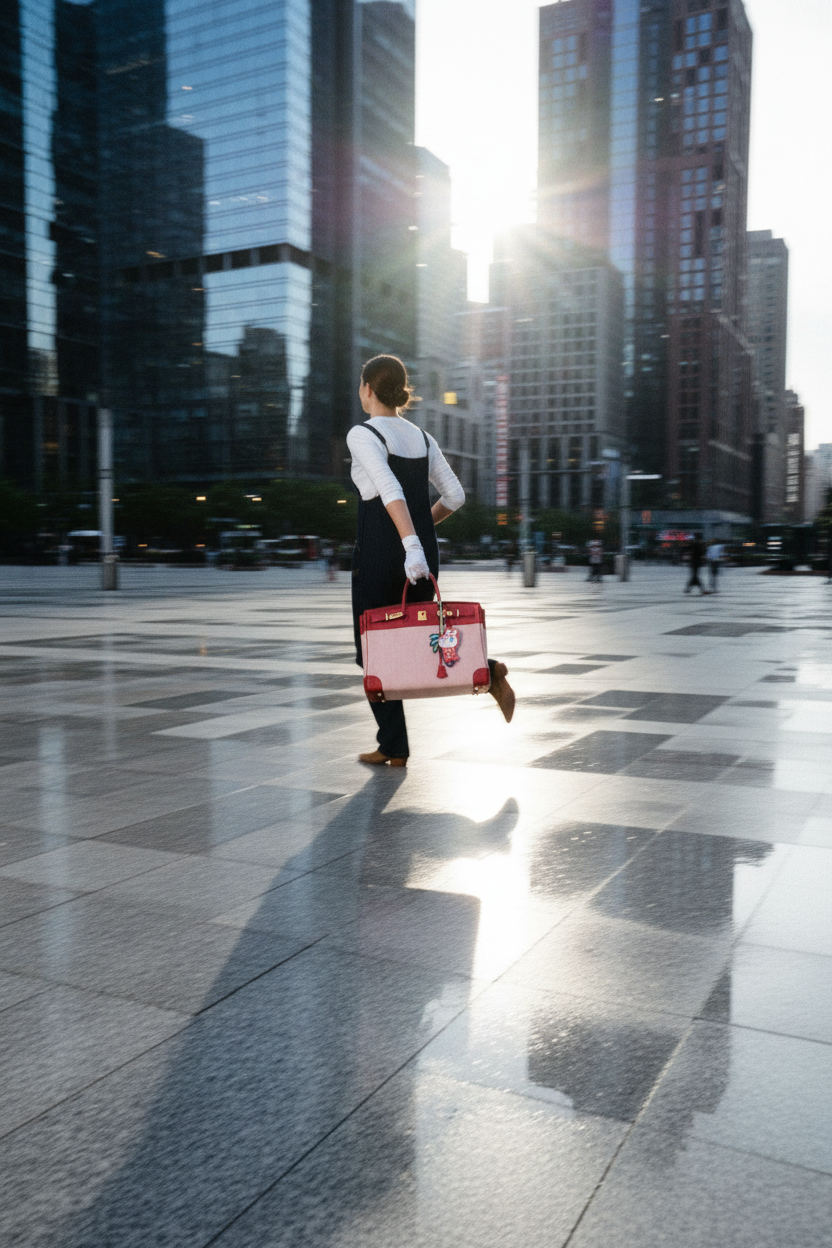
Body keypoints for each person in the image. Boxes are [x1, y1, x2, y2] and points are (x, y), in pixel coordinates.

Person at [347, 355, 515, 767]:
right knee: (420, 635)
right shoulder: (422, 438)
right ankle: (482, 672)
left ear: (368, 388)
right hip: (418, 553)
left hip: (383, 553)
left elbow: (388, 489)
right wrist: (420, 536)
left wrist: (409, 545)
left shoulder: (362, 433)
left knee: (372, 647)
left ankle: (395, 743)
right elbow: (455, 496)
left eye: (360, 385)